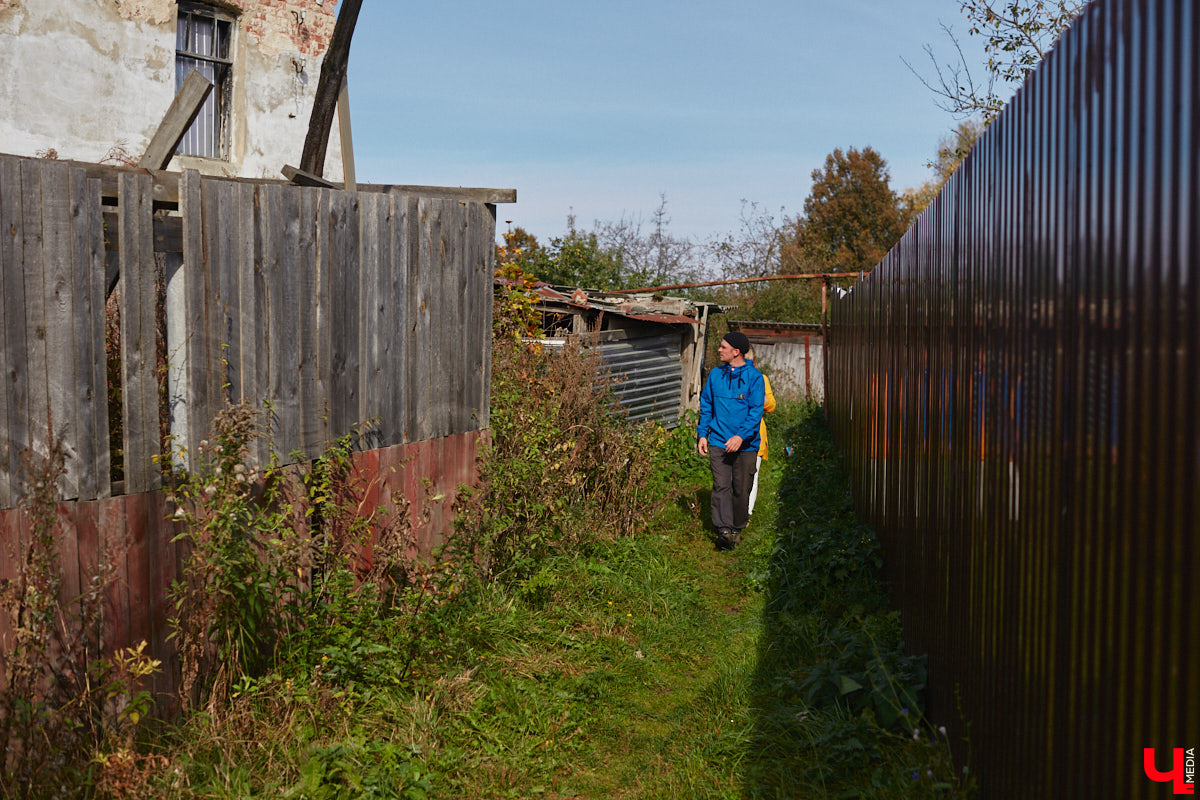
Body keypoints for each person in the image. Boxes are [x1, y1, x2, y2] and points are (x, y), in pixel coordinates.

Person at [696, 331, 765, 550]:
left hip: (746, 445)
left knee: (742, 488)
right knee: (720, 486)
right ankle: (723, 531)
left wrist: (740, 436)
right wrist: (702, 434)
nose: (719, 350)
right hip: (717, 440)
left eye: (723, 347)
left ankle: (737, 527)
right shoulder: (716, 375)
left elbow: (756, 412)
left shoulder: (755, 378)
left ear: (736, 352)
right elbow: (706, 405)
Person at [745, 347, 776, 515]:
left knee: (752, 475)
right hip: (732, 433)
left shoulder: (761, 379)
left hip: (756, 434)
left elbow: (771, 405)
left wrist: (760, 398)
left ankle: (747, 513)